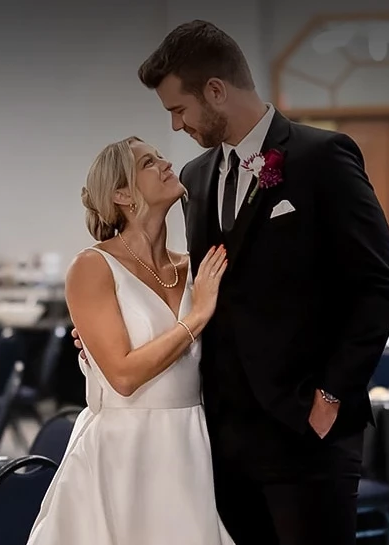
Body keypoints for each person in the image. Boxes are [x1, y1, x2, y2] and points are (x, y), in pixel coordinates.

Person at [140, 20, 389, 545]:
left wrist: (330, 395)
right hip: (222, 435)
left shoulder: (322, 157)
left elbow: (379, 284)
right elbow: (195, 283)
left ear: (215, 90)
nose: (175, 126)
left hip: (306, 429)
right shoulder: (193, 177)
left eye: (179, 109)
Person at [24, 136, 236, 544]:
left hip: (191, 443)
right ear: (122, 193)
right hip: (123, 451)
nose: (165, 164)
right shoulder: (92, 266)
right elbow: (122, 376)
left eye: (160, 157)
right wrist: (198, 316)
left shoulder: (196, 268)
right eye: (148, 163)